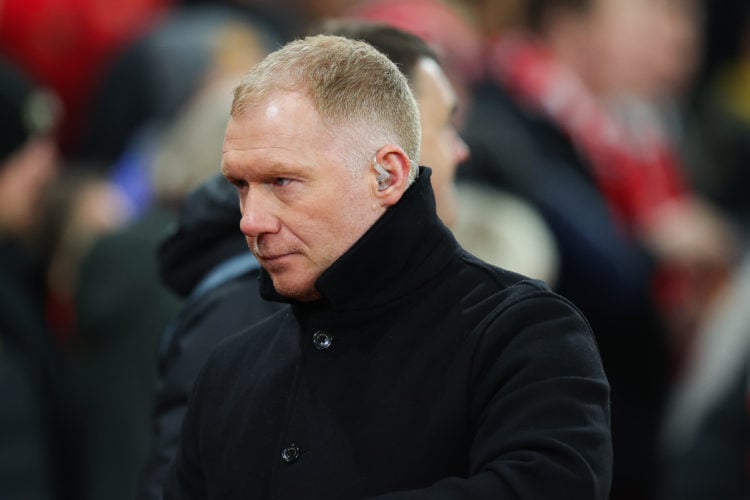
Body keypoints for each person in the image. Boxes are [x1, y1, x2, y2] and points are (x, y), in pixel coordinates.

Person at [163, 34, 611, 499]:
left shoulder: (524, 333)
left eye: (282, 181)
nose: (250, 220)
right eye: (241, 185)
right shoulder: (229, 371)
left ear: (388, 175)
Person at [141, 22, 471, 498]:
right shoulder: (239, 325)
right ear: (384, 159)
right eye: (446, 125)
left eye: (280, 182)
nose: (461, 149)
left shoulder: (510, 327)